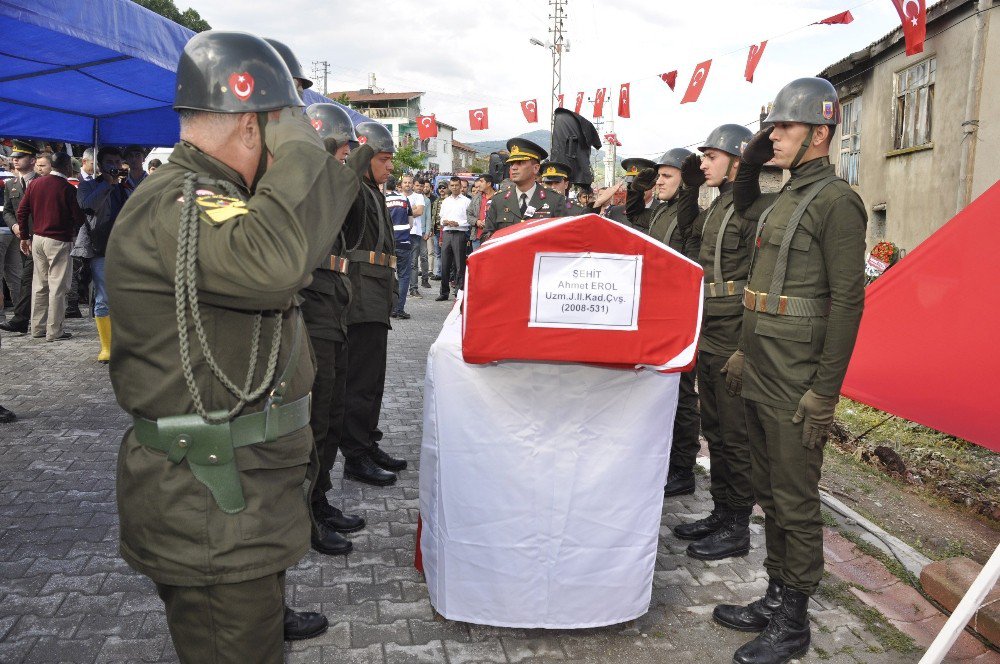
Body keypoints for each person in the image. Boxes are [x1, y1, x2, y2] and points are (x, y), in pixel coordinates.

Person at [105, 31, 360, 659]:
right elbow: (272, 264)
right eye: (283, 126)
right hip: (211, 506)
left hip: (238, 498)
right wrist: (299, 140)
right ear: (254, 127)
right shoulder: (181, 201)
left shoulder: (220, 198)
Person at [714, 78, 866, 664]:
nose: (772, 135)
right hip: (761, 366)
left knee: (796, 498)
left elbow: (847, 304)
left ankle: (795, 621)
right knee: (769, 492)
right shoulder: (782, 196)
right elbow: (745, 202)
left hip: (797, 377)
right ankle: (777, 596)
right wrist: (745, 354)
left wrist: (823, 394)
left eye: (785, 127)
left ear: (820, 134)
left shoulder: (836, 203)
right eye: (770, 127)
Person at [675, 124, 757, 562]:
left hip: (733, 328)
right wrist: (691, 189)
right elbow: (689, 238)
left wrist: (745, 346)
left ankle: (738, 525)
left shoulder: (752, 208)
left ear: (737, 162)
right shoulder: (717, 205)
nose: (703, 163)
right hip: (709, 325)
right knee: (717, 432)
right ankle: (722, 512)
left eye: (711, 156)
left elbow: (758, 277)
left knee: (735, 434)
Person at [299, 101, 366, 558]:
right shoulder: (302, 187)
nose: (347, 161)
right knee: (314, 418)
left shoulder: (328, 186)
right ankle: (304, 513)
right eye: (342, 153)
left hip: (332, 306)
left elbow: (355, 229)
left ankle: (317, 501)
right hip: (310, 309)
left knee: (330, 413)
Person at [625, 147, 703, 498]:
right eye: (658, 178)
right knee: (661, 389)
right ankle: (665, 459)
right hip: (656, 311)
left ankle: (683, 468)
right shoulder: (659, 213)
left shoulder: (689, 217)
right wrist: (646, 176)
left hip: (678, 313)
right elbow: (632, 212)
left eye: (667, 177)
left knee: (683, 393)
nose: (659, 183)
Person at [341, 121, 409, 486]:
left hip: (375, 291)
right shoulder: (353, 188)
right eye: (382, 159)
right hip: (359, 293)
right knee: (361, 381)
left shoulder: (373, 191)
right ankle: (356, 453)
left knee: (373, 379)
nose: (390, 167)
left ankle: (367, 442)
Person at [17, 152, 86, 342]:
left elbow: (22, 211)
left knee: (40, 285)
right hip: (59, 240)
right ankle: (54, 331)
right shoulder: (68, 188)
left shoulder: (35, 184)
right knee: (58, 286)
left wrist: (24, 236)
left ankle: (37, 328)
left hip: (37, 238)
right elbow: (79, 218)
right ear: (67, 167)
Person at [77, 147, 129, 363]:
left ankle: (124, 342)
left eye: (117, 162)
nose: (114, 166)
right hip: (100, 247)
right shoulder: (89, 185)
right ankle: (106, 346)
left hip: (125, 248)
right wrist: (107, 183)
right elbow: (88, 207)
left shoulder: (126, 186)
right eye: (110, 162)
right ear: (100, 165)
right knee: (103, 297)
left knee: (125, 296)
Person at [482, 138, 565, 242]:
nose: (514, 168)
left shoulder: (555, 200)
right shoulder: (499, 200)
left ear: (536, 168)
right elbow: (486, 237)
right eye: (512, 163)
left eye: (520, 162)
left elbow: (563, 239)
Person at [0, 140, 40, 334]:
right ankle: (24, 318)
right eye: (14, 157)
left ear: (32, 160)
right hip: (22, 238)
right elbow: (7, 211)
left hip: (39, 237)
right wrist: (14, 225)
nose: (15, 160)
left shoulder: (42, 181)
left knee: (28, 278)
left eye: (20, 157)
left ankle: (21, 319)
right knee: (26, 278)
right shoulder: (11, 184)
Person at [434, 176, 470, 300]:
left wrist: (458, 223)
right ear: (450, 186)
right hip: (447, 233)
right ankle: (444, 292)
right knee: (445, 264)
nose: (454, 188)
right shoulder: (446, 201)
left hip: (459, 233)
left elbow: (469, 220)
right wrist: (446, 221)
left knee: (459, 265)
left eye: (456, 185)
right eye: (452, 185)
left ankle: (458, 292)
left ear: (460, 186)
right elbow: (441, 217)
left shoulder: (466, 201)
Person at [386, 176, 414, 318]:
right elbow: (410, 224)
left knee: (388, 275)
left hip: (388, 245)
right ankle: (399, 309)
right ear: (397, 185)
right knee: (403, 276)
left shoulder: (382, 199)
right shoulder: (404, 199)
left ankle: (388, 308)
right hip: (403, 243)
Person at [400, 175, 426, 298]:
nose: (407, 184)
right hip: (400, 233)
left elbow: (420, 211)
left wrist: (402, 212)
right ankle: (399, 289)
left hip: (414, 233)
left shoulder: (419, 196)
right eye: (405, 182)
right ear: (401, 184)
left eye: (410, 182)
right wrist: (412, 209)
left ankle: (414, 288)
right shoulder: (398, 196)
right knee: (400, 262)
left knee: (413, 262)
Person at [466, 174, 496, 250]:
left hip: (492, 237)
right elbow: (468, 214)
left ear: (489, 184)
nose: (479, 183)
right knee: (477, 261)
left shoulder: (498, 197)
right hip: (477, 237)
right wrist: (476, 221)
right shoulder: (476, 197)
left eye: (481, 181)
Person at [429, 180, 448, 280]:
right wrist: (431, 229)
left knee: (447, 254)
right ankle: (439, 273)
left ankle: (446, 273)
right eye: (440, 187)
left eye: (444, 187)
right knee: (438, 253)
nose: (442, 189)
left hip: (447, 231)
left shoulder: (449, 200)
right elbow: (434, 216)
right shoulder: (436, 201)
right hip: (436, 231)